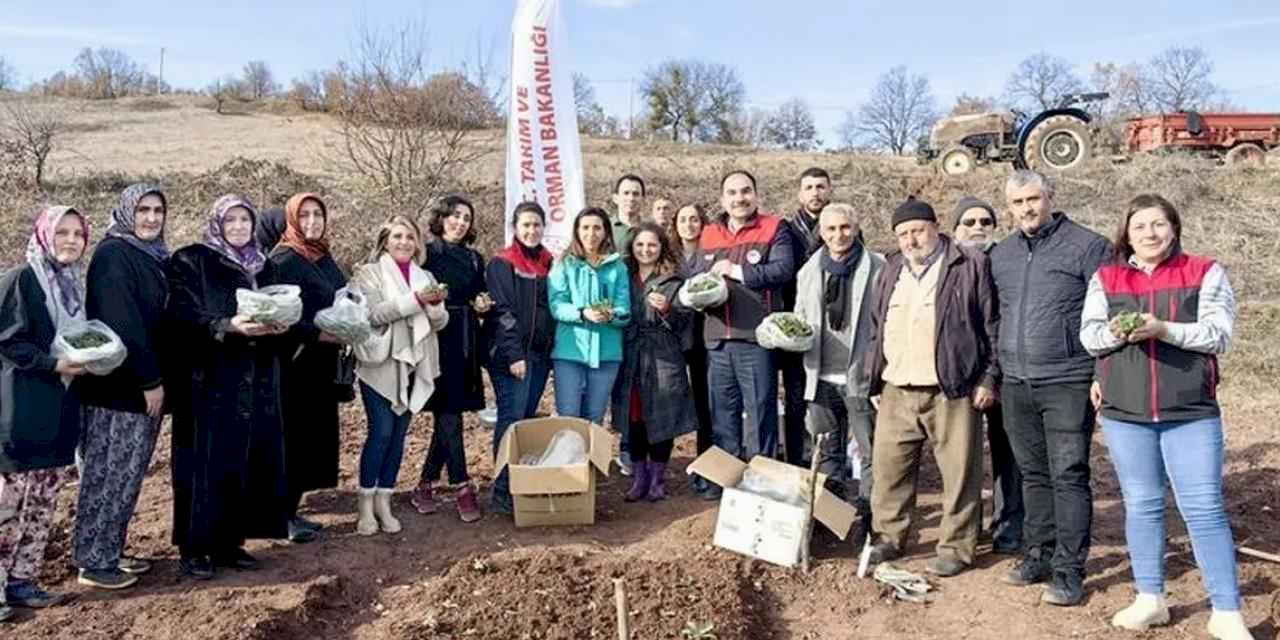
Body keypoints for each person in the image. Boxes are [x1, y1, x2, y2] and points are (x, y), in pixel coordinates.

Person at [1081, 194, 1252, 640]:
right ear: (1127, 233)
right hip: (1125, 413)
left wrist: (1164, 330)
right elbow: (1090, 337)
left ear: (1173, 229)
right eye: (1140, 226)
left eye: (1158, 225)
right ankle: (1150, 598)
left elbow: (1219, 334)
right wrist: (1117, 333)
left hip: (1190, 412)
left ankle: (1226, 610)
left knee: (1204, 507)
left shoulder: (1204, 272)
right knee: (1142, 505)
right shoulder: (1107, 277)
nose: (1150, 234)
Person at [989, 170, 1111, 606]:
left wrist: (1102, 374)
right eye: (1018, 202)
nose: (1027, 208)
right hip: (1017, 382)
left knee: (1069, 475)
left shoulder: (1088, 246)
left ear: (1051, 197)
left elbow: (1109, 315)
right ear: (1009, 208)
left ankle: (1069, 570)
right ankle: (1037, 555)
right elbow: (995, 320)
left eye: (1034, 199)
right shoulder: (1000, 255)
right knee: (1032, 474)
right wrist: (995, 374)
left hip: (1068, 379)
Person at [863, 198, 998, 578]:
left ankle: (956, 546)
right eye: (903, 234)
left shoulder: (969, 264)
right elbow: (877, 326)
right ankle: (889, 536)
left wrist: (988, 377)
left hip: (951, 388)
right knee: (889, 470)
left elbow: (991, 325)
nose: (911, 240)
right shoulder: (890, 268)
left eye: (917, 230)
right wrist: (876, 375)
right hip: (896, 386)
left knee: (959, 473)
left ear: (936, 227)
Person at [167, 194, 290, 579]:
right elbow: (183, 314)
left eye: (245, 220)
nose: (239, 227)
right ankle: (194, 547)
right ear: (217, 223)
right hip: (209, 378)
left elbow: (272, 306)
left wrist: (280, 323)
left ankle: (228, 543)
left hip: (253, 378)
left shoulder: (261, 264)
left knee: (242, 459)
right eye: (231, 220)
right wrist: (227, 326)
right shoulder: (193, 260)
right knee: (201, 463)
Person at [72, 185, 169, 590]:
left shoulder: (148, 254)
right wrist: (150, 381)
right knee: (108, 473)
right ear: (127, 213)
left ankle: (111, 548)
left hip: (135, 389)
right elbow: (123, 323)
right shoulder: (114, 255)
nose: (150, 218)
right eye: (143, 210)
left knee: (128, 476)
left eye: (157, 210)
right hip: (117, 390)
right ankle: (94, 561)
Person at [0, 206, 91, 620]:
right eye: (63, 232)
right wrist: (52, 364)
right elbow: (8, 341)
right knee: (9, 503)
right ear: (44, 235)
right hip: (20, 409)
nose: (71, 240)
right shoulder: (22, 279)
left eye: (78, 234)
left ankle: (23, 581)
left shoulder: (72, 285)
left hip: (59, 408)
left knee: (43, 501)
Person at [692, 170, 797, 495]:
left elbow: (783, 269)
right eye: (732, 193)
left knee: (760, 413)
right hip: (717, 340)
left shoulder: (775, 227)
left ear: (755, 194)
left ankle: (760, 484)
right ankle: (725, 482)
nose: (739, 198)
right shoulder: (709, 233)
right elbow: (696, 274)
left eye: (745, 191)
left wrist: (736, 271)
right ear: (723, 198)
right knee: (722, 416)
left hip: (755, 340)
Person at [349, 215, 449, 536]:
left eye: (410, 237)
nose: (404, 242)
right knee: (380, 432)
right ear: (386, 241)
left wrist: (435, 309)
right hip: (380, 364)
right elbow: (373, 314)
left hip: (414, 363)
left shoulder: (426, 275)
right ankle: (365, 505)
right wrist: (416, 301)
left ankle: (384, 502)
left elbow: (439, 322)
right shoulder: (369, 274)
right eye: (397, 236)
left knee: (398, 436)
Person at [793, 203, 883, 540]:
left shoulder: (877, 266)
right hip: (821, 375)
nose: (838, 235)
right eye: (830, 229)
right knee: (826, 448)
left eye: (845, 228)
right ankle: (832, 516)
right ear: (822, 233)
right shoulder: (809, 270)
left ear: (856, 227)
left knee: (870, 449)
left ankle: (869, 518)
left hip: (860, 376)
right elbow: (801, 317)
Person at [265, 193, 347, 544]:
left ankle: (293, 510)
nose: (313, 221)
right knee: (292, 439)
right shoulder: (282, 260)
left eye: (318, 214)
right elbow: (275, 315)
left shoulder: (322, 255)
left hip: (321, 365)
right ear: (292, 221)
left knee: (312, 437)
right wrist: (318, 332)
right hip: (293, 364)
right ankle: (279, 517)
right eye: (305, 215)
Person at [410, 196, 490, 523]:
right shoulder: (426, 253)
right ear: (442, 219)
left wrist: (483, 304)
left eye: (466, 218)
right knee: (448, 413)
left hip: (465, 337)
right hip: (434, 337)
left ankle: (426, 483)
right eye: (454, 216)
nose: (460, 222)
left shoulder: (474, 258)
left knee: (450, 413)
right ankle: (461, 484)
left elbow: (481, 294)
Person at [951, 195, 1023, 555]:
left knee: (1006, 451)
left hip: (1003, 371)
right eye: (969, 222)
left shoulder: (1007, 262)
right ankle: (966, 527)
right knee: (962, 455)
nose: (977, 228)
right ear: (954, 229)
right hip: (958, 374)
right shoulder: (947, 265)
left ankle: (1008, 527)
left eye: (985, 222)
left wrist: (992, 374)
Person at [611, 223, 695, 502]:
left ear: (661, 248)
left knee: (661, 416)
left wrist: (667, 310)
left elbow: (687, 322)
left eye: (652, 245)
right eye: (640, 245)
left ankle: (658, 478)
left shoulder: (674, 280)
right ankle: (639, 477)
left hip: (663, 355)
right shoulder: (621, 276)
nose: (645, 250)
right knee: (634, 418)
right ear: (632, 247)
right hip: (631, 355)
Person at [485, 202, 555, 514]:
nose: (531, 230)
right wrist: (514, 355)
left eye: (536, 225)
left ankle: (519, 483)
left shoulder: (548, 262)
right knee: (511, 420)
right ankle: (502, 490)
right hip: (512, 357)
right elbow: (504, 312)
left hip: (539, 356)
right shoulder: (502, 262)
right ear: (515, 227)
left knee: (524, 420)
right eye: (525, 225)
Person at [549, 207, 631, 425]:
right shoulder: (564, 264)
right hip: (570, 351)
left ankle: (591, 460)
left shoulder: (618, 267)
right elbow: (556, 304)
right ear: (577, 231)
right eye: (585, 227)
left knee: (595, 417)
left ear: (605, 232)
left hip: (607, 353)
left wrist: (611, 315)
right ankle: (569, 459)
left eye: (597, 228)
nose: (591, 233)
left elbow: (625, 309)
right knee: (568, 416)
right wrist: (582, 313)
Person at [778, 167, 833, 465]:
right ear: (800, 194)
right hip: (796, 322)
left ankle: (827, 460)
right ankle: (795, 457)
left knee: (827, 394)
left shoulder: (842, 225)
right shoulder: (787, 229)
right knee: (796, 394)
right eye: (809, 187)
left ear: (829, 191)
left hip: (833, 322)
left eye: (821, 186)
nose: (815, 192)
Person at [672, 204, 714, 496]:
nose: (689, 224)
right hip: (673, 337)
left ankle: (707, 465)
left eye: (694, 219)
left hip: (705, 337)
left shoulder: (712, 253)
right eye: (683, 220)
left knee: (706, 404)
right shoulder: (668, 255)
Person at [611, 174, 646, 250]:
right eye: (626, 193)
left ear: (643, 199)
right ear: (615, 198)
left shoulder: (651, 229)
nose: (631, 198)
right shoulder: (604, 228)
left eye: (636, 194)